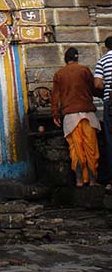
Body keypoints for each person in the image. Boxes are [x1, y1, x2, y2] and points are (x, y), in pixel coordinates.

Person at [51, 47, 100, 187]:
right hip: (87, 113)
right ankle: (92, 181)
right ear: (77, 58)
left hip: (70, 116)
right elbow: (93, 88)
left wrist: (55, 114)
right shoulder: (84, 70)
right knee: (91, 148)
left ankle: (79, 180)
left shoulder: (59, 74)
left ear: (65, 60)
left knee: (75, 149)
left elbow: (55, 97)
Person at [94, 36, 112, 187]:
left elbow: (98, 84)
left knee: (110, 139)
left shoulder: (103, 60)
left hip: (110, 101)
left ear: (106, 47)